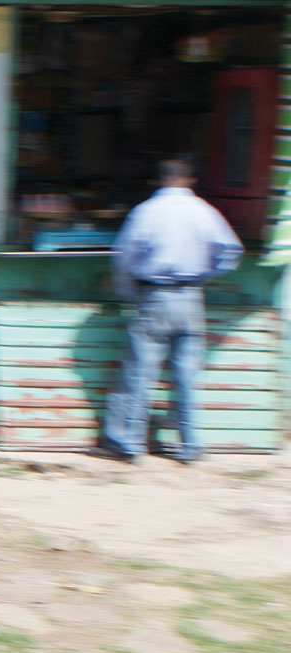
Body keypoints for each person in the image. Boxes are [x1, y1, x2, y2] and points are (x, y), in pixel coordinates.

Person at [99, 156, 241, 464]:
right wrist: (205, 276)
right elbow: (231, 252)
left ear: (157, 181)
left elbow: (124, 259)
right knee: (186, 375)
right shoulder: (206, 212)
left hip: (155, 297)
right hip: (191, 298)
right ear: (190, 180)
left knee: (140, 372)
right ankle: (190, 445)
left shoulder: (146, 212)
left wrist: (130, 293)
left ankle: (131, 444)